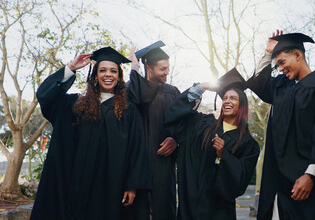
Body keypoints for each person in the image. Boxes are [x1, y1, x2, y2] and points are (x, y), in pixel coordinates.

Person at [31, 47, 152, 220]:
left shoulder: (128, 110)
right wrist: (70, 68)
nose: (108, 74)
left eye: (113, 71)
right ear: (95, 75)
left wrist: (132, 185)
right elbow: (46, 97)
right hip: (79, 183)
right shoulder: (77, 105)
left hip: (113, 184)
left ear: (119, 77)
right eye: (102, 70)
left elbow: (136, 148)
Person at [247, 31, 315, 220]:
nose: (279, 69)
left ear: (297, 55)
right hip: (276, 181)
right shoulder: (281, 86)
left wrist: (311, 174)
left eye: (282, 62)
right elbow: (256, 81)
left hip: (302, 182)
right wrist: (268, 53)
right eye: (276, 64)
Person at [164, 68, 260, 220]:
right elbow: (175, 115)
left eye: (233, 98)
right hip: (191, 206)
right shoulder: (203, 125)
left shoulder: (248, 144)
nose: (228, 101)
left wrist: (224, 156)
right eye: (226, 98)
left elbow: (240, 184)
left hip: (219, 212)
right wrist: (200, 87)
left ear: (242, 105)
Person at [127, 41, 180, 220]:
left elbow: (184, 124)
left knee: (164, 210)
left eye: (168, 68)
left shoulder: (172, 93)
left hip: (163, 166)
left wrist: (175, 139)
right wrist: (134, 67)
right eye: (162, 69)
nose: (167, 72)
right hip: (138, 165)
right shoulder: (132, 92)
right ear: (148, 68)